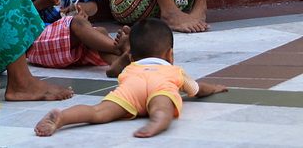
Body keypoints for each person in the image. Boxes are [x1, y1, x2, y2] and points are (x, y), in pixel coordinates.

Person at [35, 18, 228, 138]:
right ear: (170, 55)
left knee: (98, 112)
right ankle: (156, 122)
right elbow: (196, 89)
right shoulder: (173, 70)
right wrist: (213, 87)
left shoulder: (131, 67)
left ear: (132, 56)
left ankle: (63, 117)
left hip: (132, 89)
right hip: (160, 86)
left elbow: (113, 71)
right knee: (162, 107)